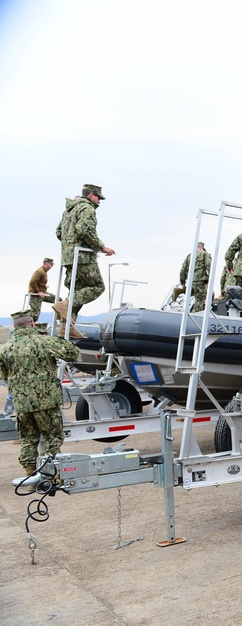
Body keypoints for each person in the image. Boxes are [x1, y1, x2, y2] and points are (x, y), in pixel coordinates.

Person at [0, 310, 80, 483]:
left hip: (22, 404)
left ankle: (30, 477)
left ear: (15, 326)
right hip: (47, 402)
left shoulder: (6, 349)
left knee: (28, 439)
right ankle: (48, 476)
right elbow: (72, 353)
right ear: (32, 324)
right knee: (53, 437)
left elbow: (4, 375)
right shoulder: (44, 341)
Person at [54, 184, 116, 335]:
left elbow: (58, 232)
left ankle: (67, 326)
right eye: (98, 197)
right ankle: (66, 305)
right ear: (90, 195)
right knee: (97, 286)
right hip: (83, 257)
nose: (99, 202)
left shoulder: (69, 210)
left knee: (78, 290)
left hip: (68, 257)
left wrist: (69, 246)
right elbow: (85, 230)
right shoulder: (86, 208)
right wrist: (102, 247)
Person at [179, 242, 212, 312]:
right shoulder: (205, 254)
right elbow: (210, 267)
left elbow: (183, 269)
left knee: (189, 299)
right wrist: (209, 281)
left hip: (190, 282)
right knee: (200, 301)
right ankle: (194, 317)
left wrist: (182, 282)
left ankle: (185, 314)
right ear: (202, 247)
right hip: (200, 282)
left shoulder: (189, 256)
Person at [27, 257, 56, 322]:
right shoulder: (40, 271)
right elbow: (32, 281)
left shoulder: (44, 271)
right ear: (47, 263)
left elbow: (38, 282)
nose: (51, 267)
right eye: (51, 264)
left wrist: (43, 287)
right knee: (35, 315)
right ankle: (27, 327)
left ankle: (59, 319)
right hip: (35, 295)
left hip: (43, 293)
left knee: (58, 300)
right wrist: (38, 291)